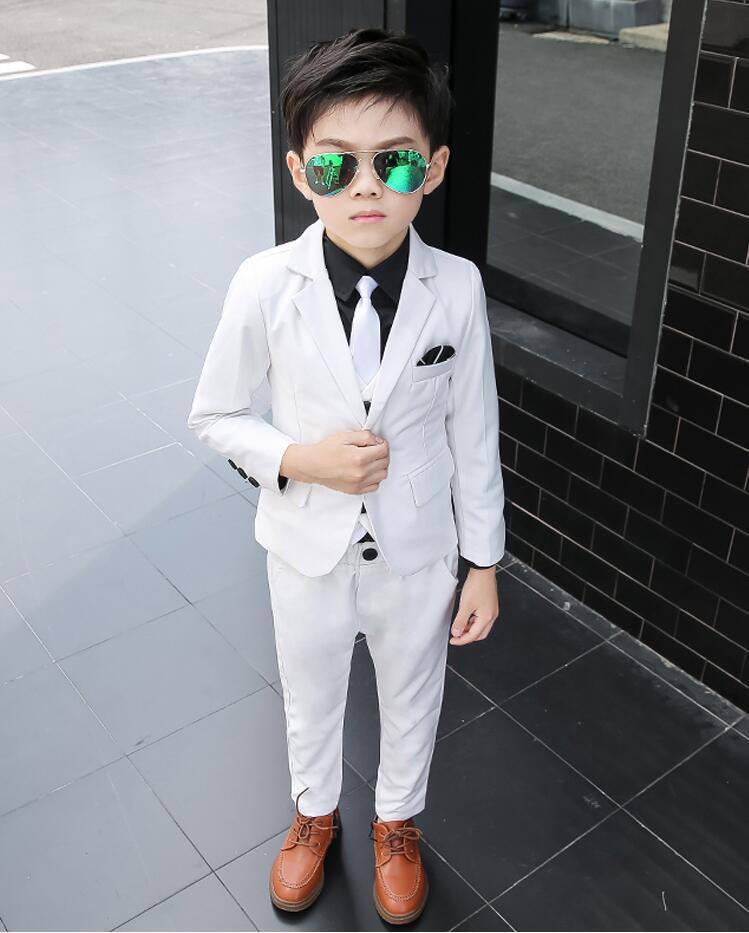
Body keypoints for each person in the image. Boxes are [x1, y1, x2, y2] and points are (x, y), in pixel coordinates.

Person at [187, 25, 505, 925]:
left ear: (432, 169)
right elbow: (214, 414)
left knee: (413, 691)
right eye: (336, 165)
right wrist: (300, 458)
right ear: (300, 173)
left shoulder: (457, 287)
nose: (366, 186)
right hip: (305, 542)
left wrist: (483, 562)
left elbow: (474, 428)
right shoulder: (264, 284)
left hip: (417, 546)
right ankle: (313, 812)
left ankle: (396, 821)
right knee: (310, 687)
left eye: (394, 162)